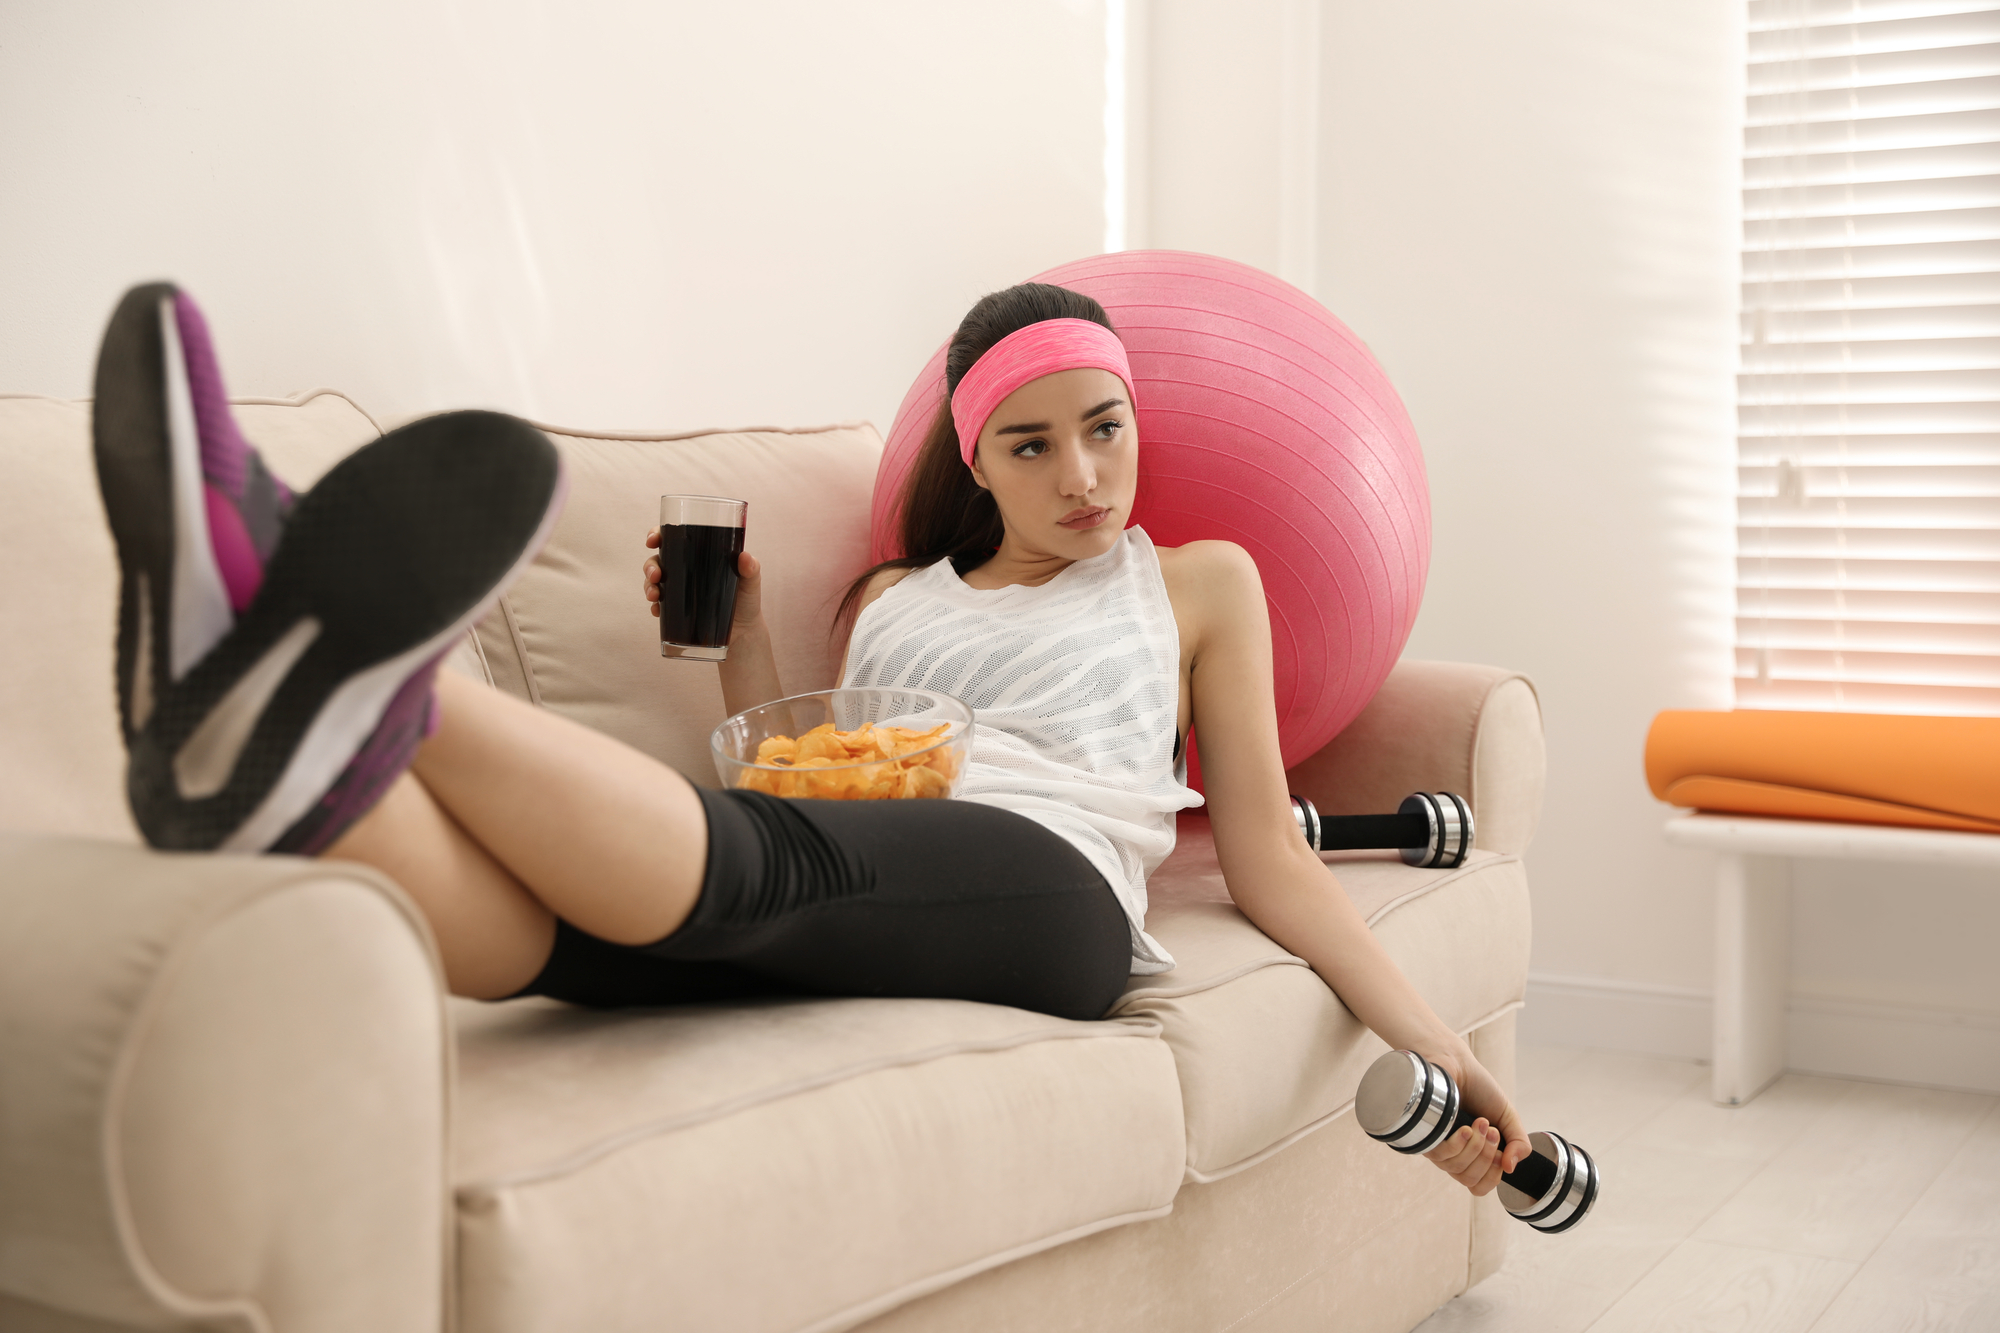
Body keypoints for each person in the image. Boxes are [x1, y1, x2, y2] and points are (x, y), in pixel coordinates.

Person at [93, 279, 1529, 1199]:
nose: (1083, 473)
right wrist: (747, 646)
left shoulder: (1200, 577)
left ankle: (337, 647)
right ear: (974, 457)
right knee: (555, 933)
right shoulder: (896, 596)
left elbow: (1269, 856)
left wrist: (1435, 1038)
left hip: (1057, 887)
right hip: (885, 843)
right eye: (1031, 444)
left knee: (764, 861)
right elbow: (809, 776)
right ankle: (268, 752)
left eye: (1104, 427)